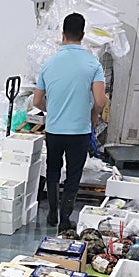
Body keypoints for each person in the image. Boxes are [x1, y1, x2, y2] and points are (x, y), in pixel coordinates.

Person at [33, 13, 107, 229]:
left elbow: (37, 100)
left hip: (55, 130)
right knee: (74, 174)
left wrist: (52, 110)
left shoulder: (49, 64)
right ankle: (66, 220)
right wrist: (92, 116)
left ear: (62, 34)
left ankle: (52, 214)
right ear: (83, 35)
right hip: (79, 131)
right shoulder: (93, 64)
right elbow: (101, 100)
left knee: (53, 170)